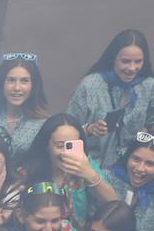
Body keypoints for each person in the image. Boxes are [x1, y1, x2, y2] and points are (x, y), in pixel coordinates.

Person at [66, 29, 154, 173]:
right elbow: (66, 131)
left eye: (138, 62)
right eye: (125, 61)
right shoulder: (90, 85)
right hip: (90, 168)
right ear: (113, 58)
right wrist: (89, 129)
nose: (132, 68)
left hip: (132, 170)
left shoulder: (149, 85)